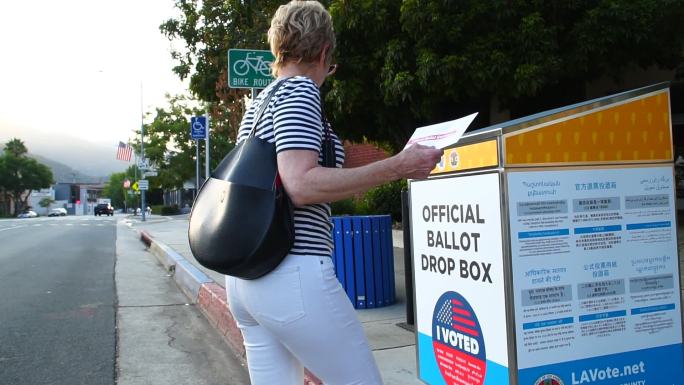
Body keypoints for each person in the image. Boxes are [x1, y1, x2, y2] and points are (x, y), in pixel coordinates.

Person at [225, 2, 443, 384]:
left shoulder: (259, 103)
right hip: (291, 271)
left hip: (247, 278)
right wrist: (399, 166)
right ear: (324, 52)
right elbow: (301, 184)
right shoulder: (300, 91)